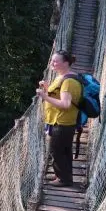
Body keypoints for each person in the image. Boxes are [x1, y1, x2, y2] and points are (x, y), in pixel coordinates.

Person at [36, 50, 82, 187]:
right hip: (58, 121)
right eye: (52, 60)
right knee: (64, 150)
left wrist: (44, 97)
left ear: (66, 63)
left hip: (62, 122)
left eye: (56, 61)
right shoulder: (61, 77)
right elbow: (57, 94)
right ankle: (65, 177)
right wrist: (47, 88)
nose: (52, 63)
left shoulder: (69, 81)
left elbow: (66, 104)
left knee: (56, 151)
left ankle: (63, 180)